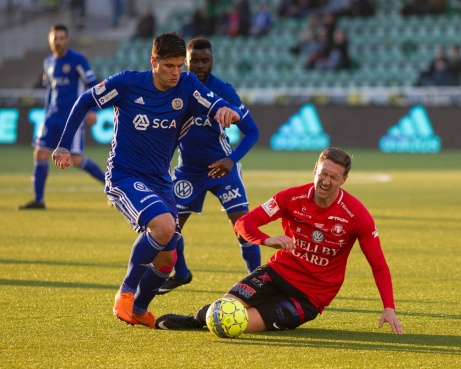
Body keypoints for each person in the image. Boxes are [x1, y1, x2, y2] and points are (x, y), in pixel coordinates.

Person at [51, 31, 242, 329]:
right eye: (169, 66)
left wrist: (224, 110)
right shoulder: (127, 83)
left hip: (160, 181)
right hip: (125, 175)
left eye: (180, 66)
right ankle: (126, 294)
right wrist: (63, 144)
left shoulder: (187, 84)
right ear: (153, 61)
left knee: (167, 259)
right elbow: (84, 101)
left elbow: (213, 102)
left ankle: (139, 309)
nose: (176, 73)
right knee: (164, 226)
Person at [155, 147, 404, 335]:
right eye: (323, 173)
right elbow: (244, 223)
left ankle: (198, 321)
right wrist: (266, 240)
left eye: (334, 177)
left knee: (237, 323)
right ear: (314, 170)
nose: (326, 182)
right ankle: (195, 319)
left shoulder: (356, 215)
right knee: (223, 311)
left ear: (344, 180)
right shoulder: (291, 198)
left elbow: (378, 265)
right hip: (275, 274)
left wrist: (389, 307)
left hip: (309, 296)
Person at [157, 38, 261, 295]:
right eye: (195, 61)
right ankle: (181, 273)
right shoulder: (175, 88)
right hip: (188, 172)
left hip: (222, 169)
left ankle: (258, 282)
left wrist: (231, 160)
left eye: (206, 60)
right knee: (170, 226)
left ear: (212, 60)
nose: (201, 65)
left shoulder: (223, 90)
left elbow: (252, 131)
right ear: (186, 62)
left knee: (242, 228)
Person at [18, 24, 105, 210]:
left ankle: (111, 186)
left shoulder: (77, 60)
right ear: (50, 40)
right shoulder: (48, 62)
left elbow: (93, 85)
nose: (58, 41)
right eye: (55, 38)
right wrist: (46, 114)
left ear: (67, 40)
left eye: (61, 38)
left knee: (75, 159)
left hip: (71, 118)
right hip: (52, 117)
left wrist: (93, 111)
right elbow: (50, 91)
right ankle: (39, 200)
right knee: (40, 153)